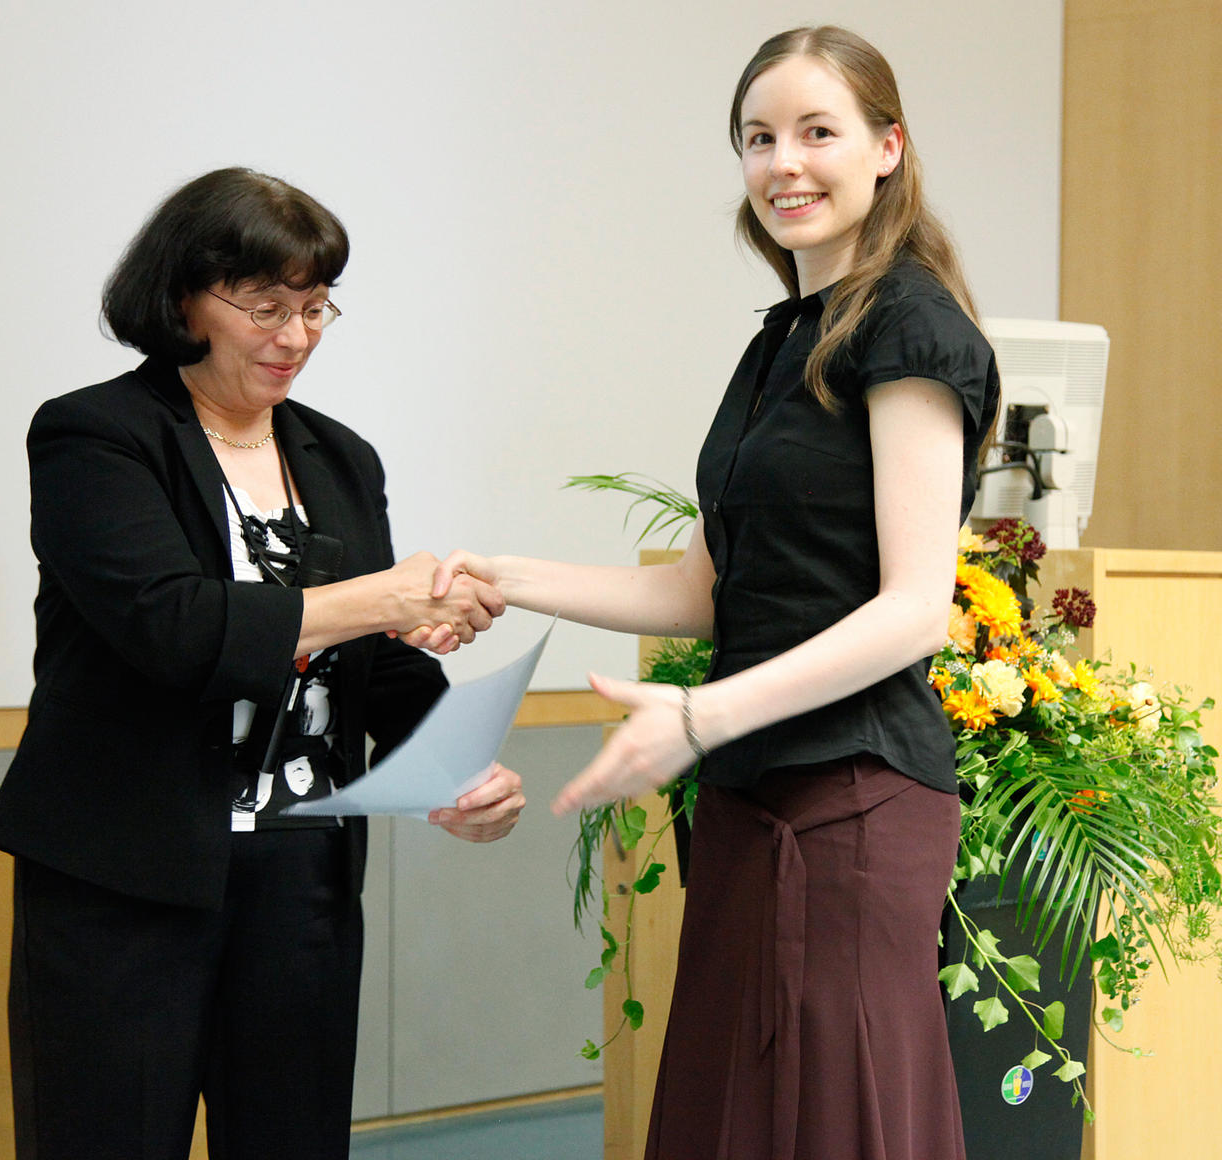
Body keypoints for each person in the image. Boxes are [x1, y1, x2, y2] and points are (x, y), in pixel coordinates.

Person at [427, 26, 998, 1160]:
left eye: (817, 132)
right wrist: (509, 577)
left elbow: (912, 609)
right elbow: (706, 588)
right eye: (757, 137)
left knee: (832, 1122)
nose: (783, 163)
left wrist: (697, 715)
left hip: (853, 794)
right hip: (750, 794)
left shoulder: (912, 327)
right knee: (726, 1116)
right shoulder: (784, 339)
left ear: (887, 147)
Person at [0, 167, 524, 1160]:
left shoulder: (340, 457)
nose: (296, 336)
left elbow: (379, 664)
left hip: (301, 878)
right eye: (266, 306)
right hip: (127, 876)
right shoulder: (96, 435)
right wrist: (388, 595)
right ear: (183, 297)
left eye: (316, 308)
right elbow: (175, 628)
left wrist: (457, 767)